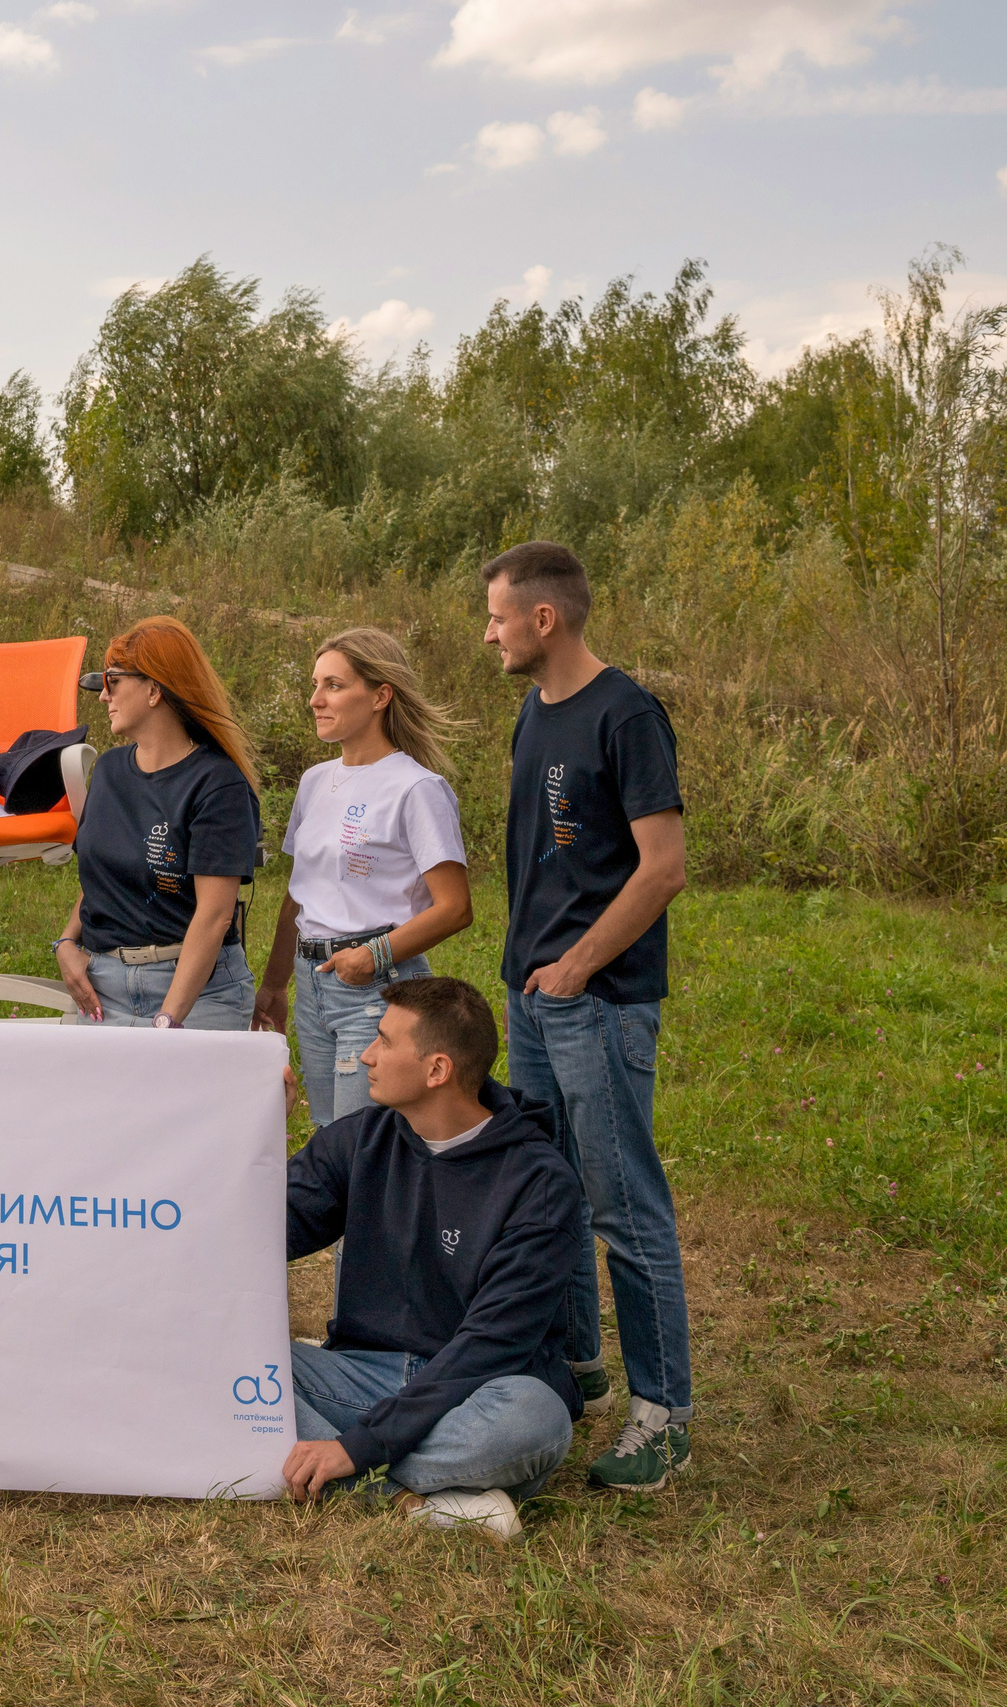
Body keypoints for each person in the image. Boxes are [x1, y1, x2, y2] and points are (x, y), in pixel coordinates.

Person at [483, 540, 693, 1492]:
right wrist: (535, 972)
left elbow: (663, 867)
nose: (486, 632)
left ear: (544, 618)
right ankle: (576, 1365)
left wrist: (575, 966)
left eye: (495, 616)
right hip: (534, 999)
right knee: (551, 1191)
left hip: (597, 1001)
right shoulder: (534, 709)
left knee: (623, 1205)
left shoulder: (628, 714)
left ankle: (664, 1413)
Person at [280, 977, 586, 1542]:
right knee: (234, 1364)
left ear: (437, 1070)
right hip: (363, 1372)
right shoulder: (361, 1140)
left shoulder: (539, 1185)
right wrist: (256, 1130)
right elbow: (261, 1230)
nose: (367, 1055)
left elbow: (488, 1348)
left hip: (481, 1387)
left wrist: (359, 1445)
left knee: (535, 1418)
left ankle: (336, 1468)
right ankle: (411, 1504)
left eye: (384, 1041)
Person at [255, 628, 474, 1125]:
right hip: (312, 987)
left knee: (367, 1144)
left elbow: (455, 907)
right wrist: (275, 983)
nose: (315, 700)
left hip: (377, 986)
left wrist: (371, 957)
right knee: (333, 1143)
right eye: (315, 685)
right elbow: (300, 894)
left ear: (380, 695)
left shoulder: (417, 788)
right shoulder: (314, 782)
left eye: (333, 685)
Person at [54, 616, 264, 1029]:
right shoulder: (110, 770)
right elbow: (101, 882)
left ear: (154, 689)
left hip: (197, 992)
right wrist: (66, 941)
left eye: (112, 680)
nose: (102, 696)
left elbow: (216, 915)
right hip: (104, 988)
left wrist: (168, 1018)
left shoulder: (218, 783)